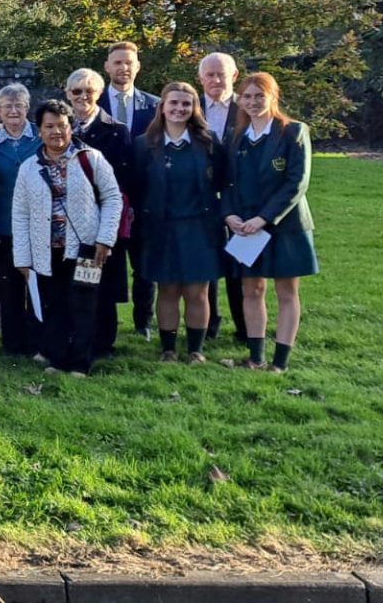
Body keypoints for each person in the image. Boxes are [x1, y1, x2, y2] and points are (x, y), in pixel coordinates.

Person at [12, 100, 124, 377]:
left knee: (84, 306)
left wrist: (105, 239)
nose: (56, 132)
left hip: (86, 250)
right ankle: (57, 359)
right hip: (45, 251)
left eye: (62, 126)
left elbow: (112, 197)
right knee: (54, 306)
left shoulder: (90, 158)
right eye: (49, 126)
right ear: (39, 131)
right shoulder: (29, 168)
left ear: (71, 127)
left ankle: (80, 363)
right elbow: (20, 214)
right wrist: (23, 259)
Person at [222, 72, 317, 372]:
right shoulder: (235, 136)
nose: (252, 102)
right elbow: (227, 183)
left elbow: (296, 183)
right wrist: (230, 215)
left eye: (258, 96)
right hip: (246, 227)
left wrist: (264, 218)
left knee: (286, 292)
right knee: (252, 291)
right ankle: (255, 358)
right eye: (246, 96)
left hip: (285, 226)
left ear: (273, 96)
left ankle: (280, 362)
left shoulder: (294, 132)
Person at [133, 82, 223, 365]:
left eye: (186, 104)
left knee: (197, 291)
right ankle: (168, 349)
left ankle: (195, 349)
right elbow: (137, 187)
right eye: (173, 103)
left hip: (200, 227)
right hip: (161, 229)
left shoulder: (209, 142)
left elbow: (222, 181)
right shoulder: (143, 144)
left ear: (194, 108)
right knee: (168, 289)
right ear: (162, 107)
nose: (179, 109)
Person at [66, 67, 136, 354]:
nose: (83, 97)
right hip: (67, 219)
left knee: (102, 282)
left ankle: (103, 342)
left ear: (99, 94)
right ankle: (76, 335)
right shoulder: (59, 127)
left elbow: (123, 180)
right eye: (76, 92)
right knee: (74, 281)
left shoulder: (116, 130)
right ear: (67, 94)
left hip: (103, 218)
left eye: (89, 91)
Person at [97, 41, 157, 336]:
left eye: (129, 62)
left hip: (143, 197)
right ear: (107, 67)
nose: (123, 68)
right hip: (105, 198)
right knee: (108, 263)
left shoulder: (154, 106)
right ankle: (106, 322)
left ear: (138, 66)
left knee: (145, 265)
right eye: (117, 62)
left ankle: (143, 321)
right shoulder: (94, 104)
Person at [0, 83, 42, 356]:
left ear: (27, 108)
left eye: (19, 106)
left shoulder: (41, 137)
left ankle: (36, 339)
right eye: (7, 107)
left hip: (39, 224)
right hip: (4, 223)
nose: (13, 111)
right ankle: (11, 342)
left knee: (37, 284)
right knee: (9, 285)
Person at [198, 51, 245, 342]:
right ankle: (209, 325)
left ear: (234, 76)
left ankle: (245, 327)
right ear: (201, 78)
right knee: (209, 264)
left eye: (221, 74)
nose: (216, 80)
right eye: (210, 75)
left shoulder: (248, 108)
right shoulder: (189, 108)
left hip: (240, 199)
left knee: (240, 264)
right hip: (203, 200)